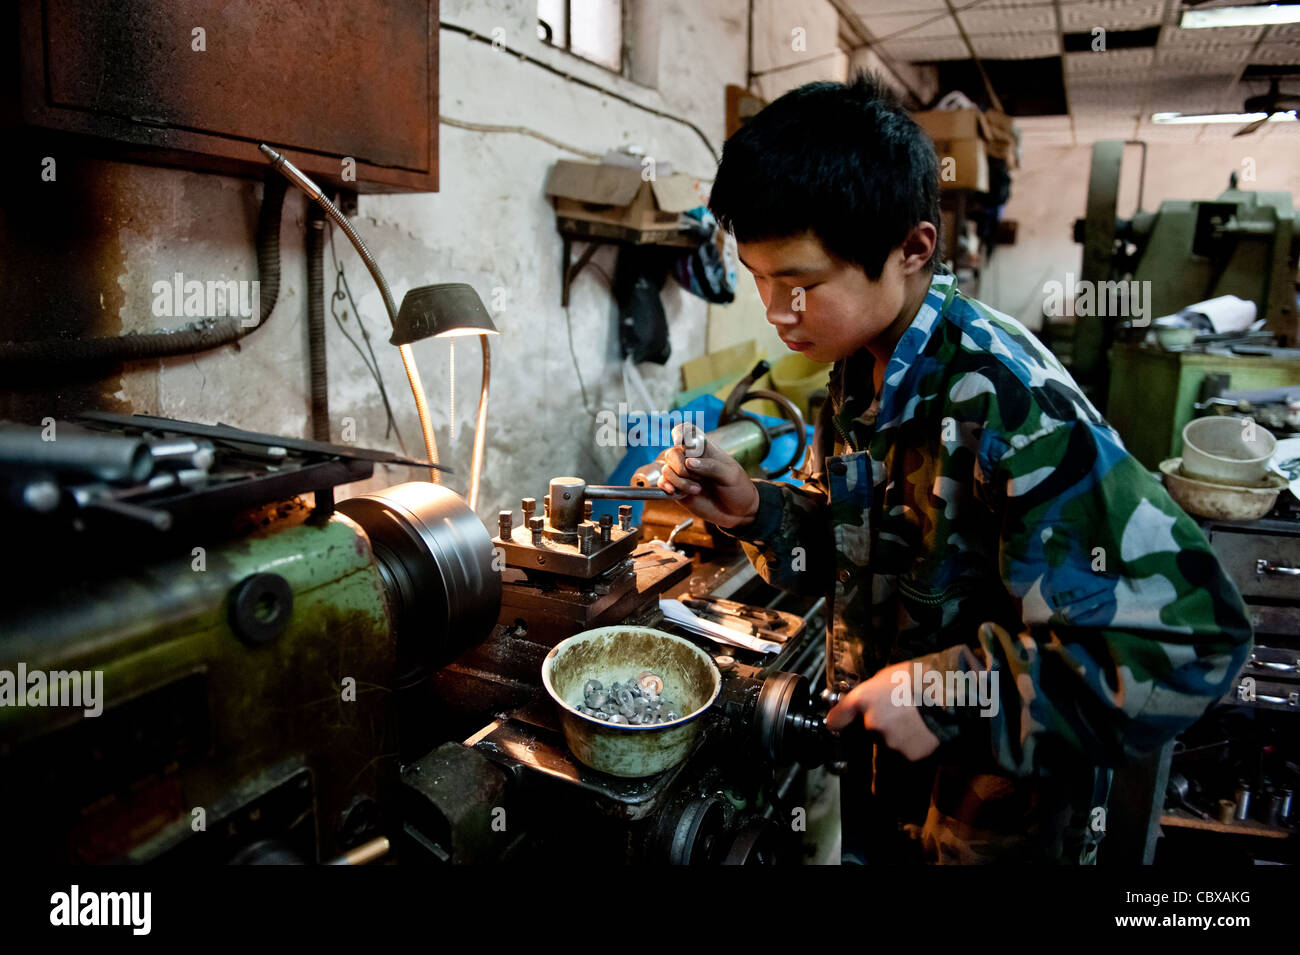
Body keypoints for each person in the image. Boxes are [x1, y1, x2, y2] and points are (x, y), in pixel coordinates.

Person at [657, 71, 1253, 864]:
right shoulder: (864, 369)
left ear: (913, 249)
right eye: (761, 281)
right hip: (894, 798)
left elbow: (1191, 642)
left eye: (800, 284)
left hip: (994, 827)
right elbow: (873, 562)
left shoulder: (1007, 400)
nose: (776, 312)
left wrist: (948, 696)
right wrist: (753, 510)